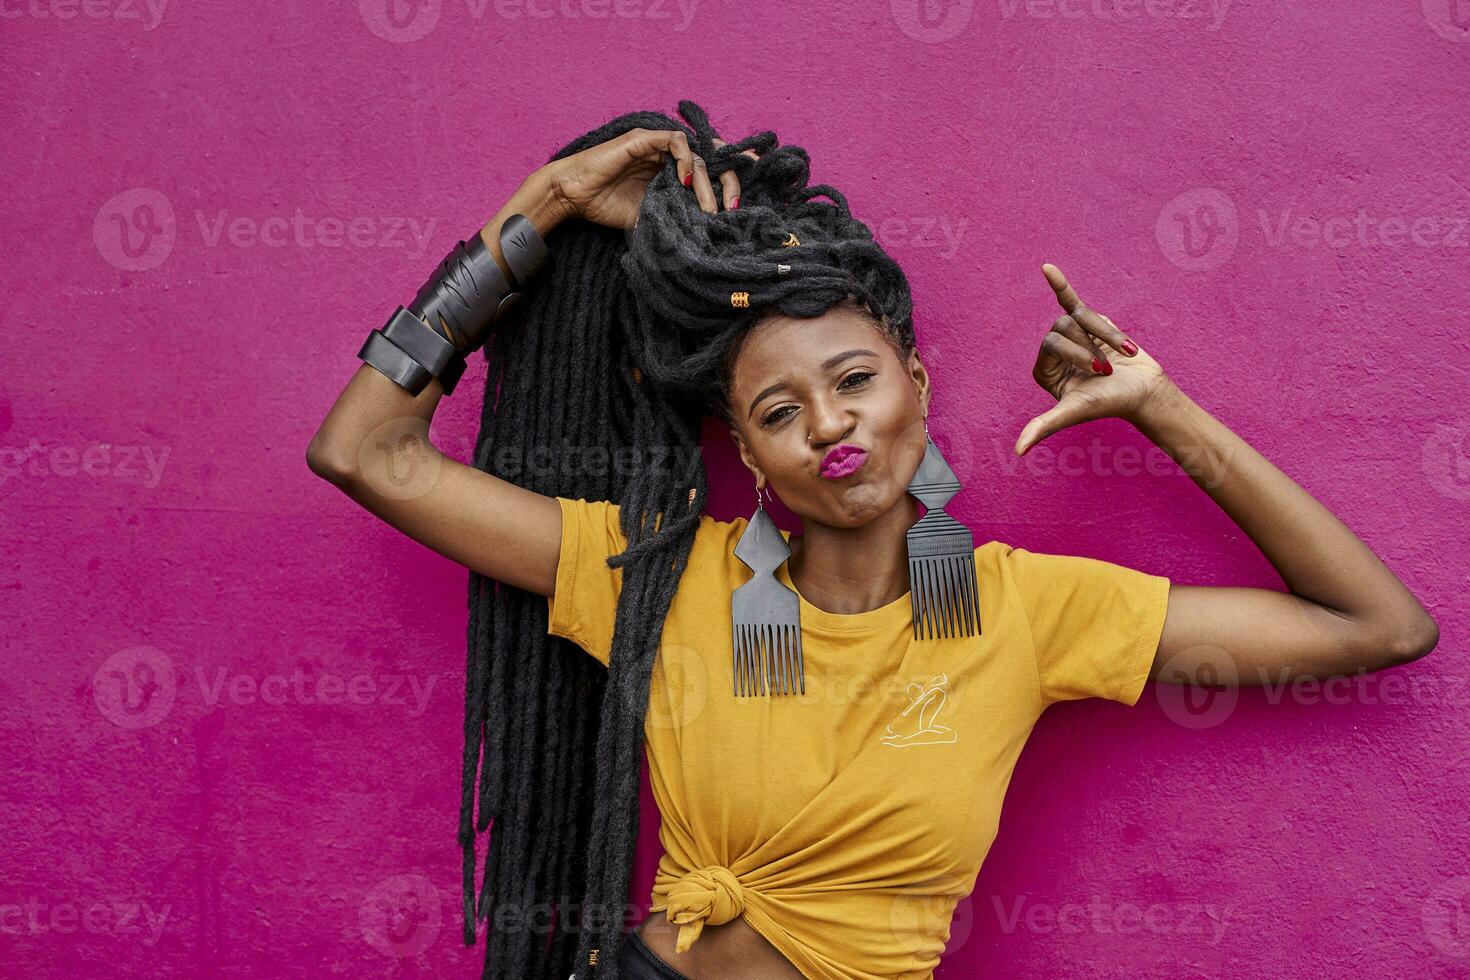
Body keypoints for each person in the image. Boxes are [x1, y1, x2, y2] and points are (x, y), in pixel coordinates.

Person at [306, 102, 1438, 980]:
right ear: (748, 453)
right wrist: (545, 202)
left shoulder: (1020, 611)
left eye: (852, 379)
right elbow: (367, 453)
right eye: (779, 409)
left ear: (917, 384)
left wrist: (1160, 407)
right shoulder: (666, 575)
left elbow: (1378, 625)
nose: (830, 423)